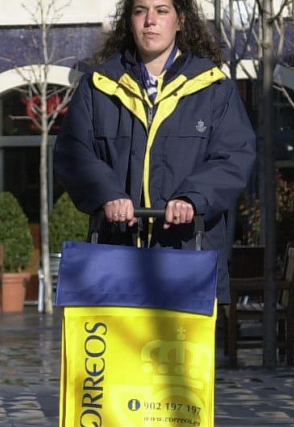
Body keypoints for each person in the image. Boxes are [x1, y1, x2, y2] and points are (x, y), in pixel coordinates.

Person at [53, 0, 256, 304]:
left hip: (188, 258)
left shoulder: (214, 88)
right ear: (130, 21)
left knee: (180, 353)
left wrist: (192, 198)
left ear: (181, 20)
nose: (150, 20)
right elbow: (73, 152)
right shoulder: (97, 87)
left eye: (161, 11)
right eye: (140, 11)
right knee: (120, 353)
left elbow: (234, 156)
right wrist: (107, 194)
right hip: (116, 260)